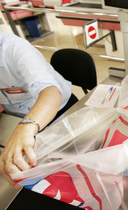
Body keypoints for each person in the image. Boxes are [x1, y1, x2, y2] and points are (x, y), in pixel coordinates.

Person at [0, 32, 77, 189]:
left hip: (59, 111)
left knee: (71, 169)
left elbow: (50, 92)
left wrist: (27, 125)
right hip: (15, 118)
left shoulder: (14, 48)